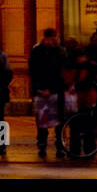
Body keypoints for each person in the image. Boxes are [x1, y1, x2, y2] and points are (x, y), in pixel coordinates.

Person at [29, 28, 66, 158]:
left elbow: (62, 73)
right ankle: (42, 145)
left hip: (56, 90)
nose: (52, 40)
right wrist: (40, 89)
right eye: (50, 37)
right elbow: (34, 72)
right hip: (43, 91)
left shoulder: (60, 52)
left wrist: (51, 89)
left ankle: (59, 146)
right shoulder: (37, 52)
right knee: (42, 121)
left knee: (59, 121)